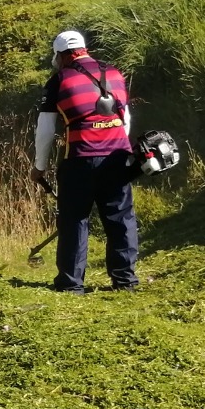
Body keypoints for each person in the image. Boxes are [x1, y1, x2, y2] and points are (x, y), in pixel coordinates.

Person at [31, 29, 139, 293]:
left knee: (75, 219)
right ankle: (125, 281)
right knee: (120, 218)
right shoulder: (113, 73)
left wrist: (39, 166)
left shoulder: (59, 80)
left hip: (79, 159)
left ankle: (71, 284)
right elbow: (124, 119)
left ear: (61, 55)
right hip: (117, 156)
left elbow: (45, 129)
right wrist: (115, 147)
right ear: (83, 49)